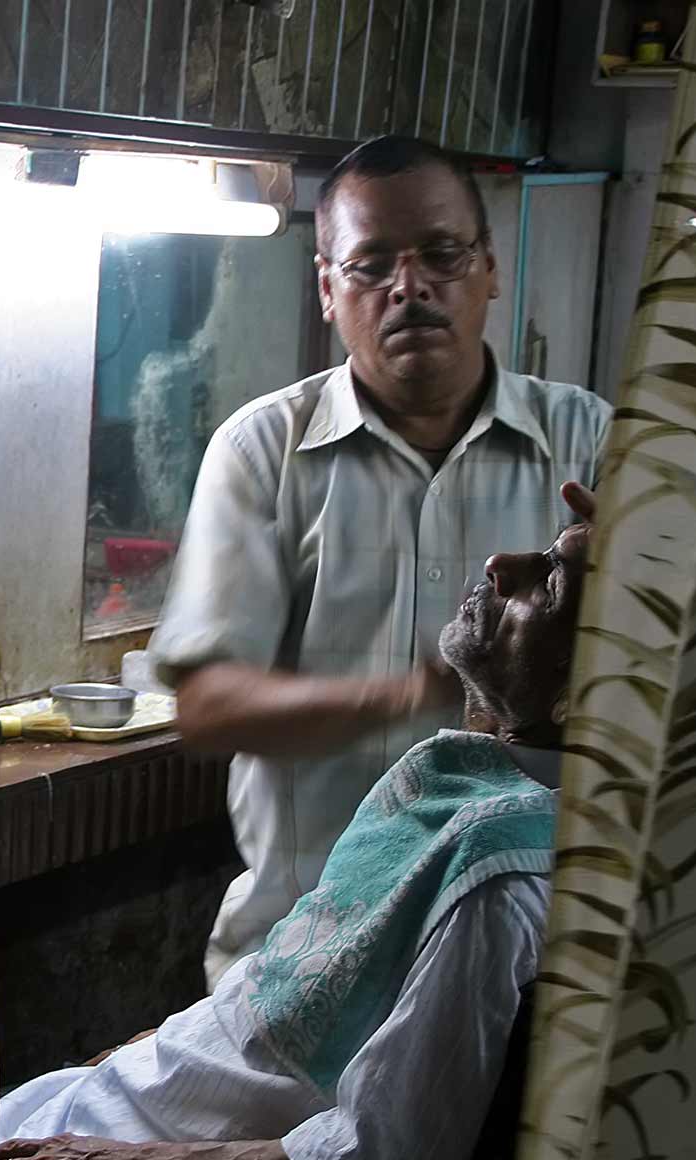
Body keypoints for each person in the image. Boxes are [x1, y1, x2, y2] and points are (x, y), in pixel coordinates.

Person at [0, 517, 592, 1160]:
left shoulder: (498, 879)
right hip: (130, 1107)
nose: (501, 564)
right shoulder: (463, 777)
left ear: (584, 694)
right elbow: (303, 988)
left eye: (551, 581)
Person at [147, 136, 611, 985]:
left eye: (441, 254)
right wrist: (428, 688)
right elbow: (209, 705)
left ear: (489, 269)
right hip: (302, 958)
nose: (411, 286)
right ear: (328, 288)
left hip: (520, 959)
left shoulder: (590, 441)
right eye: (370, 265)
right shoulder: (264, 450)